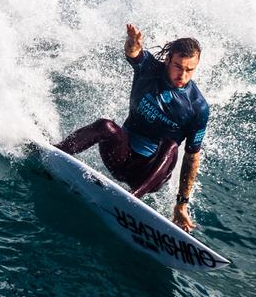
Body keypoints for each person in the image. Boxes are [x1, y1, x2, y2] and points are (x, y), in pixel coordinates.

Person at [54, 24, 209, 232]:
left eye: (190, 69)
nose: (183, 75)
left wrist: (181, 204)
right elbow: (134, 53)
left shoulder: (197, 107)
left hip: (150, 173)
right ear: (168, 60)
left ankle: (132, 198)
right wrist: (133, 43)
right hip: (120, 158)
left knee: (172, 147)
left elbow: (192, 157)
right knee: (106, 126)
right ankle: (54, 151)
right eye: (178, 67)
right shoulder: (150, 70)